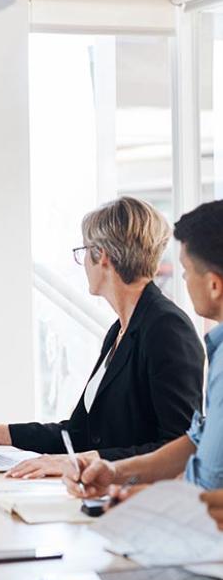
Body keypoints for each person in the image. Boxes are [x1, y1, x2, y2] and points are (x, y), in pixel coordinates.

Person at [0, 197, 204, 478]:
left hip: (141, 502)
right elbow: (80, 433)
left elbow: (179, 448)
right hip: (101, 491)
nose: (83, 261)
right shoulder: (120, 330)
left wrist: (82, 461)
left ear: (103, 255)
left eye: (84, 250)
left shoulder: (167, 328)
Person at [64, 200, 223, 497]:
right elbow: (195, 441)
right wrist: (115, 471)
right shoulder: (219, 350)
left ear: (214, 285)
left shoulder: (168, 327)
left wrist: (149, 497)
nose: (184, 280)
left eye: (187, 271)